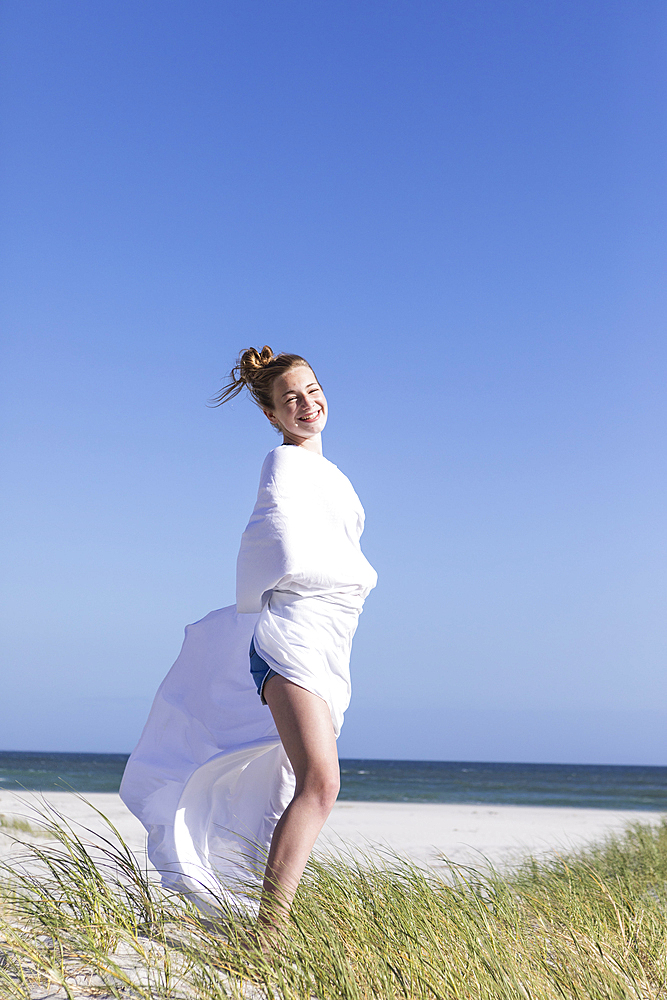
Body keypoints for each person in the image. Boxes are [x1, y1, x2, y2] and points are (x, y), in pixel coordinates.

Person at [120, 346, 377, 948]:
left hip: (330, 634)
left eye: (312, 390)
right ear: (272, 415)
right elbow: (272, 544)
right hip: (291, 634)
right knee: (322, 782)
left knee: (292, 782)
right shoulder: (281, 465)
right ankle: (270, 934)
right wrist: (316, 583)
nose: (307, 404)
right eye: (291, 399)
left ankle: (250, 909)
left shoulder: (333, 474)